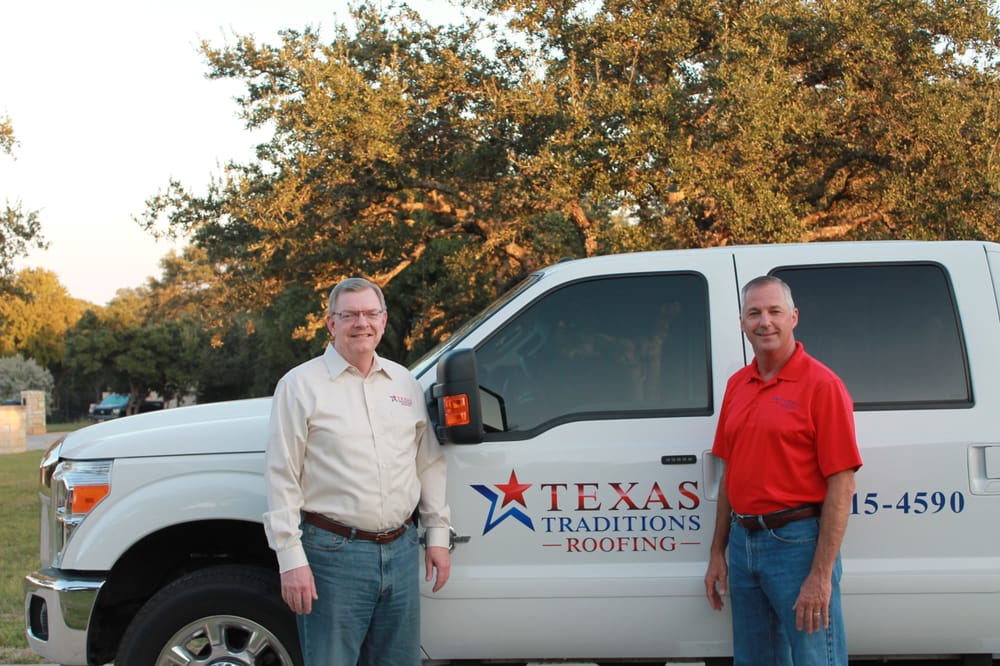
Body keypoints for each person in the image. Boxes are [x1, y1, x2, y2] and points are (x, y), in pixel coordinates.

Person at [263, 277, 452, 666]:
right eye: (349, 315)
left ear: (383, 321)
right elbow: (282, 474)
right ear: (331, 324)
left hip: (401, 551)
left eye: (369, 314)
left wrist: (436, 533)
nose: (360, 323)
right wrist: (290, 557)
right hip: (333, 557)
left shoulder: (404, 383)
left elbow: (428, 462)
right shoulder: (300, 385)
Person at [704, 275, 862, 665]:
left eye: (775, 311)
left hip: (798, 546)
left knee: (816, 659)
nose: (765, 322)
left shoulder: (822, 385)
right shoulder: (737, 385)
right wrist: (717, 552)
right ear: (742, 322)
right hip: (743, 545)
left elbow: (842, 484)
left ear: (793, 317)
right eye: (754, 313)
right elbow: (730, 474)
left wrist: (821, 575)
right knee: (755, 659)